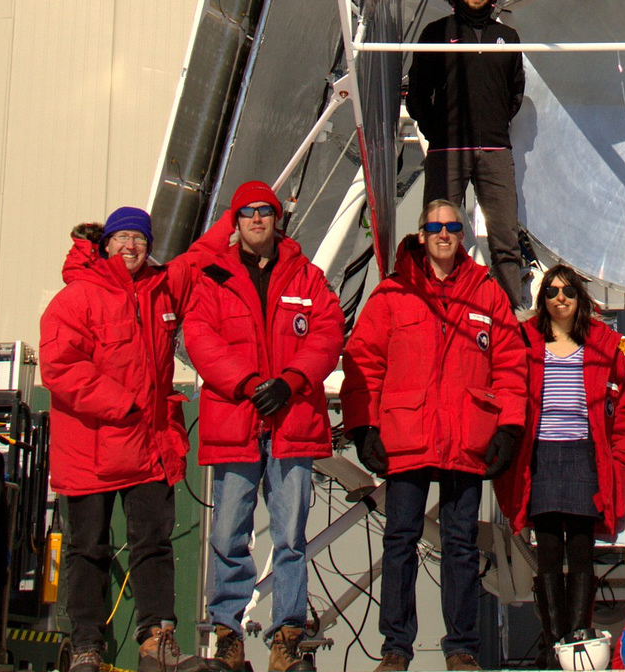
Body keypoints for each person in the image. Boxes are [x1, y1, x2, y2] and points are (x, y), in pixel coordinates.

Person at [341, 199, 529, 672]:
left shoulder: (486, 294)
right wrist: (364, 427)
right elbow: (364, 362)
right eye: (435, 227)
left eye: (452, 226)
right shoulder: (392, 294)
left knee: (461, 544)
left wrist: (508, 425)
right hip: (409, 436)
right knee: (400, 540)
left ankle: (462, 647)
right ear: (421, 235)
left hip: (465, 439)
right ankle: (395, 649)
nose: (444, 234)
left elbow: (509, 364)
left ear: (462, 235)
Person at [181, 181, 346, 672]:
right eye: (248, 212)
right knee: (230, 532)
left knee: (290, 535)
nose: (257, 219)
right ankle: (227, 635)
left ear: (278, 221)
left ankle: (287, 637)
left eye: (265, 211)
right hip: (237, 420)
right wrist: (249, 383)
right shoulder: (211, 278)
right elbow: (201, 338)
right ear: (235, 222)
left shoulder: (309, 279)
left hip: (292, 421)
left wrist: (291, 380)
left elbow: (328, 332)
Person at [39, 209, 192, 672]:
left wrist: (251, 212)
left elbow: (203, 256)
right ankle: (87, 644)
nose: (131, 246)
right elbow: (59, 366)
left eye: (139, 238)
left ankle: (156, 637)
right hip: (89, 447)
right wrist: (121, 402)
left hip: (147, 446)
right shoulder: (76, 298)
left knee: (153, 542)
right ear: (106, 244)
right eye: (122, 236)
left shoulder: (161, 289)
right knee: (88, 549)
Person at [493, 264, 625, 666]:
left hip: (583, 451)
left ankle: (579, 633)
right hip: (539, 453)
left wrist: (624, 458)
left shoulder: (604, 346)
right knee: (547, 549)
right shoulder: (522, 341)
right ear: (542, 300)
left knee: (579, 546)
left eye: (569, 292)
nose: (560, 298)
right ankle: (555, 638)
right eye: (552, 292)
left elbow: (624, 407)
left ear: (581, 299)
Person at [407, 0, 529, 308]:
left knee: (504, 237)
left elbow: (515, 92)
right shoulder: (436, 33)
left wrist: (494, 125)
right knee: (439, 232)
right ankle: (436, 306)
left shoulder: (506, 37)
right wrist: (438, 133)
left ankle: (509, 312)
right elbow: (417, 93)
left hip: (494, 151)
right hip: (448, 151)